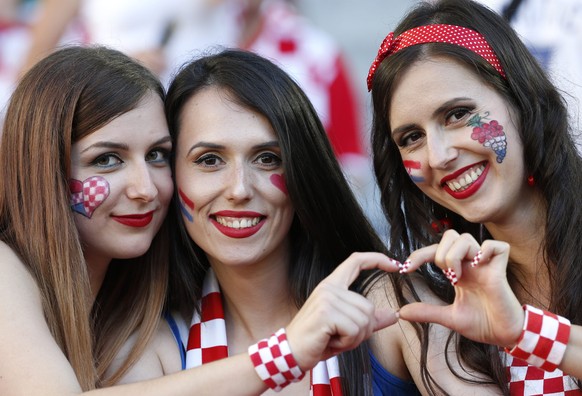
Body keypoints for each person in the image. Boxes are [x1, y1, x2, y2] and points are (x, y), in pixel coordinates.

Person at [0, 44, 401, 395]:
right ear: (40, 167)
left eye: (157, 154)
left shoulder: (138, 298)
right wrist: (284, 353)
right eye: (107, 159)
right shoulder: (6, 266)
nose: (147, 188)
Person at [163, 48, 420, 395]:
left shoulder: (386, 308)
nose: (239, 189)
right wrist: (285, 354)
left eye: (268, 159)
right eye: (209, 160)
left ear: (304, 173)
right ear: (170, 175)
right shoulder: (158, 339)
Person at [367, 0, 582, 393]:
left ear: (521, 99)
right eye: (411, 138)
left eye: (458, 114)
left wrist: (526, 331)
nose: (438, 156)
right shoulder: (442, 302)